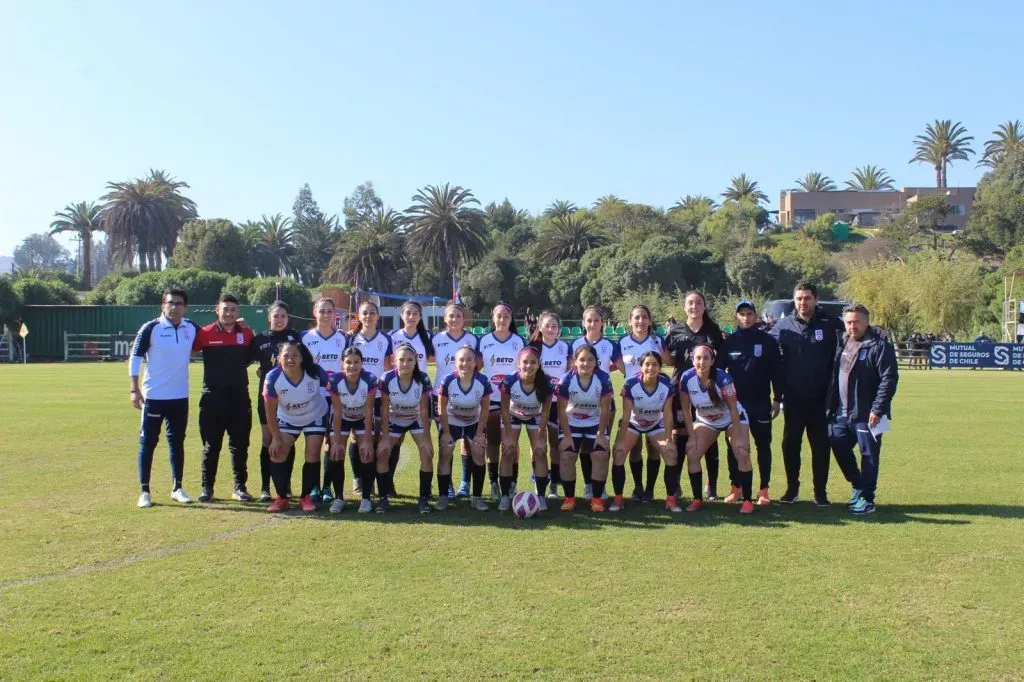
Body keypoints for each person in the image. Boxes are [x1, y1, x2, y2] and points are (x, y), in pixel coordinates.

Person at [769, 282, 845, 506]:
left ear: (816, 299)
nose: (803, 303)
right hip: (793, 400)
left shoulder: (831, 324)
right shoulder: (783, 325)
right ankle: (792, 489)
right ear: (794, 300)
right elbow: (765, 346)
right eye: (799, 298)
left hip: (822, 401)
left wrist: (874, 331)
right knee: (790, 445)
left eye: (807, 298)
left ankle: (820, 493)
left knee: (821, 447)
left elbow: (853, 335)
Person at [130, 288, 200, 508]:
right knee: (148, 442)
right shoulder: (151, 328)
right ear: (163, 305)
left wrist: (238, 325)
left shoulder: (190, 327)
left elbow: (213, 335)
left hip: (180, 396)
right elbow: (135, 357)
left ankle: (177, 488)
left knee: (176, 443)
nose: (175, 307)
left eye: (179, 304)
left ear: (185, 307)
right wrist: (134, 388)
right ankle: (144, 491)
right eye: (170, 303)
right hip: (154, 396)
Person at [826, 304, 899, 515]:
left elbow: (889, 379)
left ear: (867, 322)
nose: (852, 326)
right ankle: (858, 485)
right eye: (849, 322)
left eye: (857, 321)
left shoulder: (879, 345)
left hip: (868, 413)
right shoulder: (842, 341)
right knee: (836, 441)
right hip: (842, 412)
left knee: (869, 456)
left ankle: (867, 499)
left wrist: (878, 409)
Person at [262, 341, 343, 513]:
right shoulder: (272, 378)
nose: (290, 359)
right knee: (278, 452)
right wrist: (275, 438)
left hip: (315, 415)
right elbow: (269, 411)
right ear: (278, 358)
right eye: (286, 356)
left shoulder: (314, 372)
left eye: (295, 356)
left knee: (312, 453)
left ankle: (306, 496)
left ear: (301, 358)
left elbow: (334, 392)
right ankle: (282, 497)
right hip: (287, 418)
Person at [663, 291, 727, 500]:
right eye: (690, 303)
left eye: (698, 302)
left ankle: (712, 486)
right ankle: (677, 485)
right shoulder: (675, 330)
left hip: (706, 390)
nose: (694, 306)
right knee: (680, 436)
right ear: (684, 307)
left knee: (708, 434)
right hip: (681, 389)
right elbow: (669, 359)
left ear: (704, 306)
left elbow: (720, 360)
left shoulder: (713, 330)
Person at [678, 344, 756, 515]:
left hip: (732, 418)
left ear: (712, 360)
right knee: (692, 452)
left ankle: (748, 500)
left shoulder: (723, 378)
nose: (701, 361)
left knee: (741, 451)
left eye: (706, 358)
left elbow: (734, 409)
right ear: (693, 360)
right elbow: (686, 410)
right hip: (707, 421)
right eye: (698, 358)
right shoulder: (686, 378)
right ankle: (698, 499)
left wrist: (738, 437)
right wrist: (691, 436)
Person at [193, 294, 255, 503]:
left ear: (238, 312)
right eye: (225, 309)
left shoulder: (246, 333)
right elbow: (186, 350)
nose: (229, 313)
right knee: (212, 446)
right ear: (216, 309)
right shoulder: (205, 333)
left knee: (240, 445)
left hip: (239, 397)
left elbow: (253, 354)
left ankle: (240, 488)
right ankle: (207, 489)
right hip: (213, 398)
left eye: (233, 310)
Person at [722, 300, 783, 505]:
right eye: (742, 314)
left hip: (760, 403)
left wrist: (777, 399)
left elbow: (777, 372)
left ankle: (763, 490)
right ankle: (736, 487)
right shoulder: (729, 342)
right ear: (736, 317)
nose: (746, 317)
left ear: (755, 316)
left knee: (763, 445)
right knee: (734, 446)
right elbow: (720, 374)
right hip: (735, 405)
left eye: (749, 313)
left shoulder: (767, 341)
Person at [249, 302, 304, 502]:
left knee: (287, 439)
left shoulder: (295, 338)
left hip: (290, 397)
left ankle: (285, 485)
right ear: (269, 318)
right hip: (267, 397)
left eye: (283, 316)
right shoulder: (260, 340)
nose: (279, 320)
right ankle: (265, 487)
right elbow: (245, 358)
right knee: (267, 440)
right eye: (276, 316)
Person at [612, 351, 677, 512]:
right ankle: (619, 499)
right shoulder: (631, 384)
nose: (651, 368)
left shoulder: (666, 385)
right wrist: (620, 440)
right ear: (641, 366)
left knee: (670, 453)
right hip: (634, 423)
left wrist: (669, 439)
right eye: (647, 364)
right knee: (619, 452)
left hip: (656, 423)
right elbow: (626, 414)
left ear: (660, 367)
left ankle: (670, 500)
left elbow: (668, 414)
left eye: (655, 364)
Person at [569, 305, 622, 501]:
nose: (592, 324)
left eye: (596, 320)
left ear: (603, 323)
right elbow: (569, 370)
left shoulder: (609, 344)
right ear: (583, 323)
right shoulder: (574, 344)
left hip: (604, 401)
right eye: (589, 320)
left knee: (602, 444)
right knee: (584, 446)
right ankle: (588, 486)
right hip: (578, 402)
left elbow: (621, 366)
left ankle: (601, 485)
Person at [376, 343, 434, 514]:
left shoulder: (422, 378)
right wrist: (385, 437)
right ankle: (383, 498)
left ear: (416, 361)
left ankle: (423, 499)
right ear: (394, 361)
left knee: (426, 453)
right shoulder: (386, 378)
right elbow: (384, 410)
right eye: (401, 359)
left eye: (410, 360)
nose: (405, 363)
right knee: (383, 453)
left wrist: (427, 439)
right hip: (394, 418)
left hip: (415, 418)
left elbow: (424, 410)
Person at [556, 344, 613, 512]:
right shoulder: (566, 379)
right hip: (572, 422)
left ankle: (596, 499)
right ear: (575, 361)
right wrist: (566, 436)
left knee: (600, 455)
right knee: (566, 455)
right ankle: (569, 498)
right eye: (582, 359)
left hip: (595, 422)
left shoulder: (603, 379)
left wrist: (601, 434)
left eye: (590, 360)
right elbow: (561, 409)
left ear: (596, 362)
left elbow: (605, 409)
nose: (586, 363)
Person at [615, 304, 664, 502]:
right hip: (632, 402)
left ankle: (650, 489)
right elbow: (615, 364)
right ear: (630, 321)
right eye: (636, 317)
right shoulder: (622, 341)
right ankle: (637, 487)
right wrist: (627, 376)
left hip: (654, 400)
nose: (640, 321)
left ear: (650, 321)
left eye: (644, 317)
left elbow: (668, 359)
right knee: (633, 447)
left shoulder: (657, 340)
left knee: (654, 447)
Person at [477, 302, 525, 500]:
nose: (503, 320)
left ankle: (512, 482)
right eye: (499, 316)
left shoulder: (519, 342)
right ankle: (494, 483)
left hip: (514, 401)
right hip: (490, 400)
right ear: (493, 318)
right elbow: (476, 367)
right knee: (492, 444)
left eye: (506, 316)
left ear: (511, 319)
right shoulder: (484, 340)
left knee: (511, 445)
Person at [302, 297, 347, 504]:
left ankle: (327, 487)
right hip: (313, 397)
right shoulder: (304, 337)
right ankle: (312, 488)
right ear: (314, 312)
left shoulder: (344, 339)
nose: (326, 315)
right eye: (322, 311)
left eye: (330, 311)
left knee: (333, 443)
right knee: (314, 443)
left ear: (334, 315)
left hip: (336, 398)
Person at [431, 301, 478, 498]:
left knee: (468, 441)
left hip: (468, 395)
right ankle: (447, 485)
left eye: (458, 316)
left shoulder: (473, 339)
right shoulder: (436, 339)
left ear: (463, 319)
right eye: (451, 316)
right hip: (441, 396)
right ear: (445, 319)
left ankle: (465, 483)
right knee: (446, 441)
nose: (454, 319)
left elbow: (479, 364)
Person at [347, 300, 394, 495]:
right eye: (365, 313)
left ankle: (381, 481)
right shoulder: (352, 339)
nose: (368, 316)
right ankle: (358, 478)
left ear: (378, 316)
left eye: (372, 313)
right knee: (356, 437)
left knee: (378, 437)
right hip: (355, 395)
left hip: (377, 395)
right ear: (359, 316)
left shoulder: (385, 339)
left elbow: (387, 368)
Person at [500, 347, 554, 511]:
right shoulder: (509, 381)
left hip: (535, 415)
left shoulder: (546, 382)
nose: (529, 366)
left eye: (533, 362)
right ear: (518, 364)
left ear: (539, 365)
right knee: (508, 450)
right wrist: (508, 433)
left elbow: (545, 412)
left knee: (539, 451)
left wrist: (540, 434)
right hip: (513, 414)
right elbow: (503, 408)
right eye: (525, 362)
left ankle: (541, 495)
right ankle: (505, 495)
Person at [438, 345, 491, 511]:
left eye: (469, 360)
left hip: (473, 422)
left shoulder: (482, 381)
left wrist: (480, 433)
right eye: (461, 360)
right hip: (452, 421)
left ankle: (476, 498)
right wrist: (445, 433)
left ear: (475, 363)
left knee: (479, 453)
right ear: (455, 362)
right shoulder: (448, 381)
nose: (465, 363)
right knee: (445, 453)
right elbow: (441, 409)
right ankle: (443, 497)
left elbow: (485, 410)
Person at [328, 347, 377, 514]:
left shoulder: (369, 379)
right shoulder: (335, 380)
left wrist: (368, 441)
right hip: (342, 419)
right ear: (342, 364)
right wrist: (335, 442)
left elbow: (369, 411)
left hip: (362, 419)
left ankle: (365, 498)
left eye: (356, 362)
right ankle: (339, 498)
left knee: (366, 453)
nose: (352, 366)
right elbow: (336, 411)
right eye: (348, 362)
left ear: (362, 364)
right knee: (336, 453)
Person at [530, 311, 571, 500]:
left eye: (554, 326)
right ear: (540, 327)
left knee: (555, 443)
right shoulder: (533, 348)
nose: (550, 329)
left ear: (559, 329)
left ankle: (554, 484)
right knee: (537, 443)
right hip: (536, 402)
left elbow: (571, 372)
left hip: (557, 403)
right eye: (547, 325)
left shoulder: (564, 347)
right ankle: (538, 481)